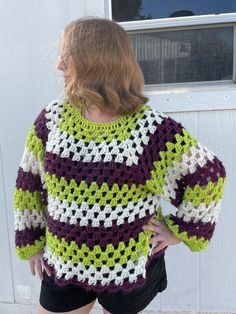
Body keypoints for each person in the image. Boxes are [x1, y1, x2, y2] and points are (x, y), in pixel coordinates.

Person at [13, 17, 226, 314]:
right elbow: (29, 183)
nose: (59, 65)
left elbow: (207, 175)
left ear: (95, 61)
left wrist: (179, 231)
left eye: (67, 56)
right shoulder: (52, 120)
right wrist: (32, 241)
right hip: (64, 263)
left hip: (130, 266)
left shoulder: (147, 130)